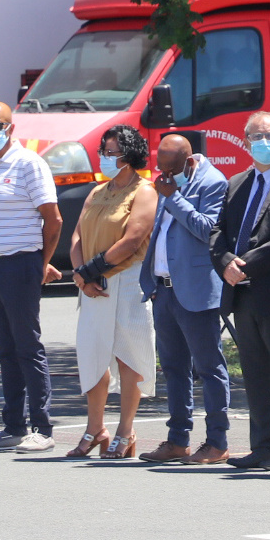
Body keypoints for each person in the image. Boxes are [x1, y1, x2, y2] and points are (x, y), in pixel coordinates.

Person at [210, 112, 270, 471]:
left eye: (269, 135)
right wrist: (225, 263)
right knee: (256, 374)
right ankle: (263, 446)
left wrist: (246, 263)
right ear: (245, 141)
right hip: (242, 295)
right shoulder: (236, 183)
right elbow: (218, 232)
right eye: (255, 136)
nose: (263, 141)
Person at [0, 101, 63, 453]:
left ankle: (42, 427)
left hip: (19, 264)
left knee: (27, 346)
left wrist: (42, 262)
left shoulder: (29, 164)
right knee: (5, 349)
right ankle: (13, 426)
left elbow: (52, 219)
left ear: (11, 127)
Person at [66, 125, 158, 459]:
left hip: (127, 281)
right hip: (91, 286)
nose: (105, 157)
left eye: (111, 152)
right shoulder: (96, 192)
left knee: (128, 353)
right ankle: (95, 428)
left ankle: (126, 429)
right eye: (103, 151)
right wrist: (81, 275)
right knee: (92, 354)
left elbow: (134, 237)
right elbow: (76, 235)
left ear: (129, 154)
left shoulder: (144, 191)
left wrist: (93, 270)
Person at [138, 134, 231, 464]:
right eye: (160, 168)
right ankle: (178, 440)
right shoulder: (168, 182)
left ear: (189, 162)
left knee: (208, 368)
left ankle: (217, 442)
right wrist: (149, 278)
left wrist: (174, 197)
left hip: (196, 292)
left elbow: (208, 230)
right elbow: (162, 232)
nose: (164, 174)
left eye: (171, 168)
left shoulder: (213, 182)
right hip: (164, 289)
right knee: (174, 369)